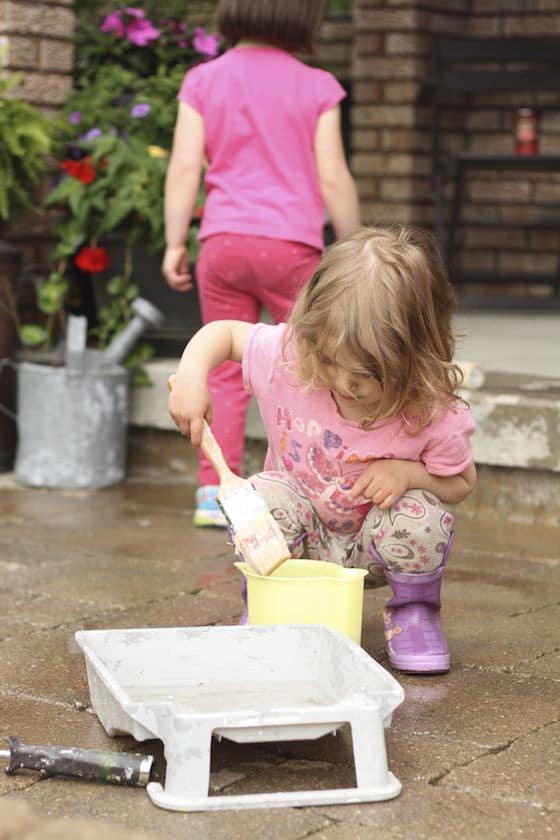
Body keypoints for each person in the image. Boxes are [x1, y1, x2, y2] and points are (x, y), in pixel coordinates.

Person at [169, 225, 477, 675]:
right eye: (331, 360)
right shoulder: (296, 357)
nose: (342, 382)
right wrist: (193, 375)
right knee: (256, 498)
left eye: (367, 373)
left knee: (420, 514)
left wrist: (410, 475)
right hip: (302, 536)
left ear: (415, 357)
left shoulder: (431, 408)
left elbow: (462, 482)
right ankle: (270, 600)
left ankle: (414, 613)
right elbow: (223, 333)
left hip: (377, 544)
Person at [162, 0, 361, 527]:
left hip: (223, 243)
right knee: (310, 367)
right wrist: (358, 254)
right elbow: (334, 178)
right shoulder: (317, 85)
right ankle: (308, 488)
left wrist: (173, 242)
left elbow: (184, 168)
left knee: (224, 367)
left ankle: (214, 493)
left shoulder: (203, 80)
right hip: (293, 249)